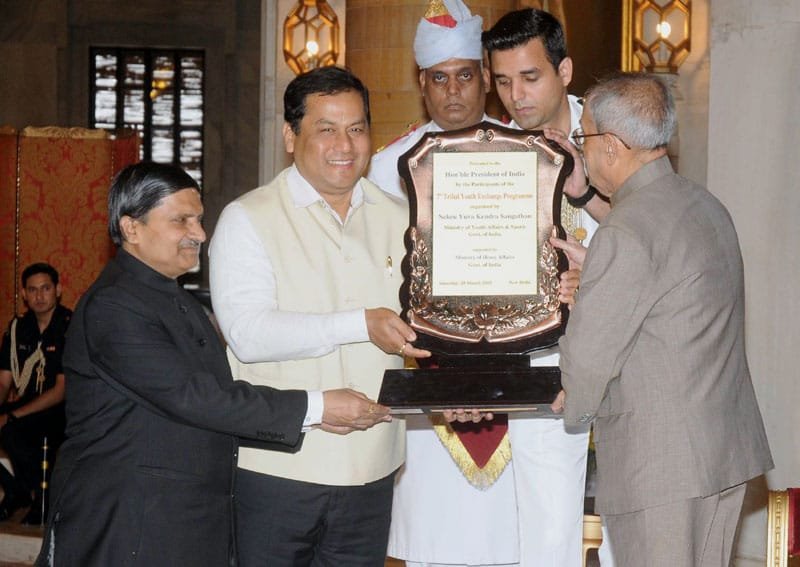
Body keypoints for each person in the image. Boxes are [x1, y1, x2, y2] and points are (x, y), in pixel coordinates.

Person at [35, 162, 390, 566]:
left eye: (200, 219)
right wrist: (317, 406)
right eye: (181, 220)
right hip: (131, 525)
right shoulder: (115, 305)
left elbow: (209, 401)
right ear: (131, 228)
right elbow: (194, 398)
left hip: (178, 521)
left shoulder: (171, 298)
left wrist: (309, 417)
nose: (200, 234)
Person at [209, 65, 431, 566]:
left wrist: (462, 385)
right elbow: (248, 334)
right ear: (291, 136)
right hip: (276, 470)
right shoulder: (248, 218)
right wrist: (360, 323)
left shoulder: (403, 217)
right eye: (325, 129)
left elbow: (428, 327)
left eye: (356, 129)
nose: (344, 145)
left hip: (373, 470)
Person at [553, 72, 773, 567]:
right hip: (721, 451)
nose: (581, 151)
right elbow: (673, 304)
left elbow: (589, 360)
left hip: (662, 465)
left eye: (582, 138)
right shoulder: (705, 205)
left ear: (611, 146)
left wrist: (575, 401)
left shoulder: (626, 231)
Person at [368, 2, 521, 566]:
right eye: (439, 78)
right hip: (424, 370)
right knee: (434, 534)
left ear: (484, 78)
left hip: (514, 366)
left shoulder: (526, 153)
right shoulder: (389, 167)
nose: (453, 92)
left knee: (512, 537)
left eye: (465, 75)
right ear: (422, 84)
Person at [481, 9, 614, 566]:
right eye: (504, 81)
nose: (517, 95)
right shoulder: (492, 153)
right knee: (544, 530)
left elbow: (657, 232)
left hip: (623, 349)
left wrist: (603, 278)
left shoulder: (616, 132)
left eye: (530, 77)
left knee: (628, 530)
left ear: (564, 70)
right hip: (538, 355)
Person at [0, 263, 69, 525]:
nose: (39, 296)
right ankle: (17, 490)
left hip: (60, 409)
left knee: (11, 430)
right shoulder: (18, 328)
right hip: (28, 405)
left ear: (58, 290)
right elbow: (4, 382)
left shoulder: (68, 325)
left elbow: (61, 390)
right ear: (24, 294)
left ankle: (43, 497)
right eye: (33, 290)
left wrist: (13, 416)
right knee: (12, 426)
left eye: (46, 289)